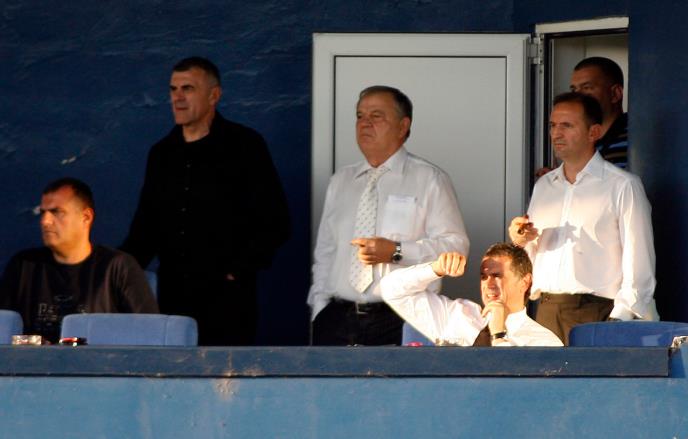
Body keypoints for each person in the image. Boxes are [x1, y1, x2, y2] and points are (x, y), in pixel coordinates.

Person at [121, 57, 290, 346]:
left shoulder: (245, 146)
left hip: (228, 301)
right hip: (173, 300)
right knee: (172, 370)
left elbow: (276, 220)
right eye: (173, 89)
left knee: (226, 372)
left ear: (214, 95)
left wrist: (236, 271)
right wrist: (113, 272)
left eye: (187, 88)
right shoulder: (161, 154)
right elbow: (145, 229)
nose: (177, 97)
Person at [308, 85, 469, 346]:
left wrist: (396, 251)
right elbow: (326, 252)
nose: (365, 123)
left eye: (376, 116)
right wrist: (319, 307)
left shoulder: (429, 179)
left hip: (399, 318)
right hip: (337, 318)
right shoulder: (342, 181)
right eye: (360, 116)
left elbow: (455, 247)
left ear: (403, 126)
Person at [510, 92, 657, 345]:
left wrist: (619, 319)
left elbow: (639, 262)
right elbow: (535, 258)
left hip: (597, 311)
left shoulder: (622, 185)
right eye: (553, 125)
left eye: (567, 125)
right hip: (546, 309)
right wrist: (522, 241)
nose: (556, 134)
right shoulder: (544, 186)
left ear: (594, 132)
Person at [0, 178, 158, 343]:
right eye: (43, 212)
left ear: (86, 217)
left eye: (57, 212)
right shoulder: (23, 266)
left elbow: (150, 334)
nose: (45, 221)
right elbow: (3, 332)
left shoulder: (118, 267)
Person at [381, 244, 562, 346]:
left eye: (497, 276)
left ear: (525, 282)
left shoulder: (542, 341)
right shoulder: (457, 314)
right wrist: (436, 268)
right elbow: (392, 290)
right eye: (483, 277)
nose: (488, 284)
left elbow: (516, 388)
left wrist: (498, 335)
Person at [537, 56, 628, 177]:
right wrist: (560, 179)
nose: (577, 97)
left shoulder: (637, 138)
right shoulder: (579, 138)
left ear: (615, 93)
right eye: (574, 90)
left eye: (587, 88)